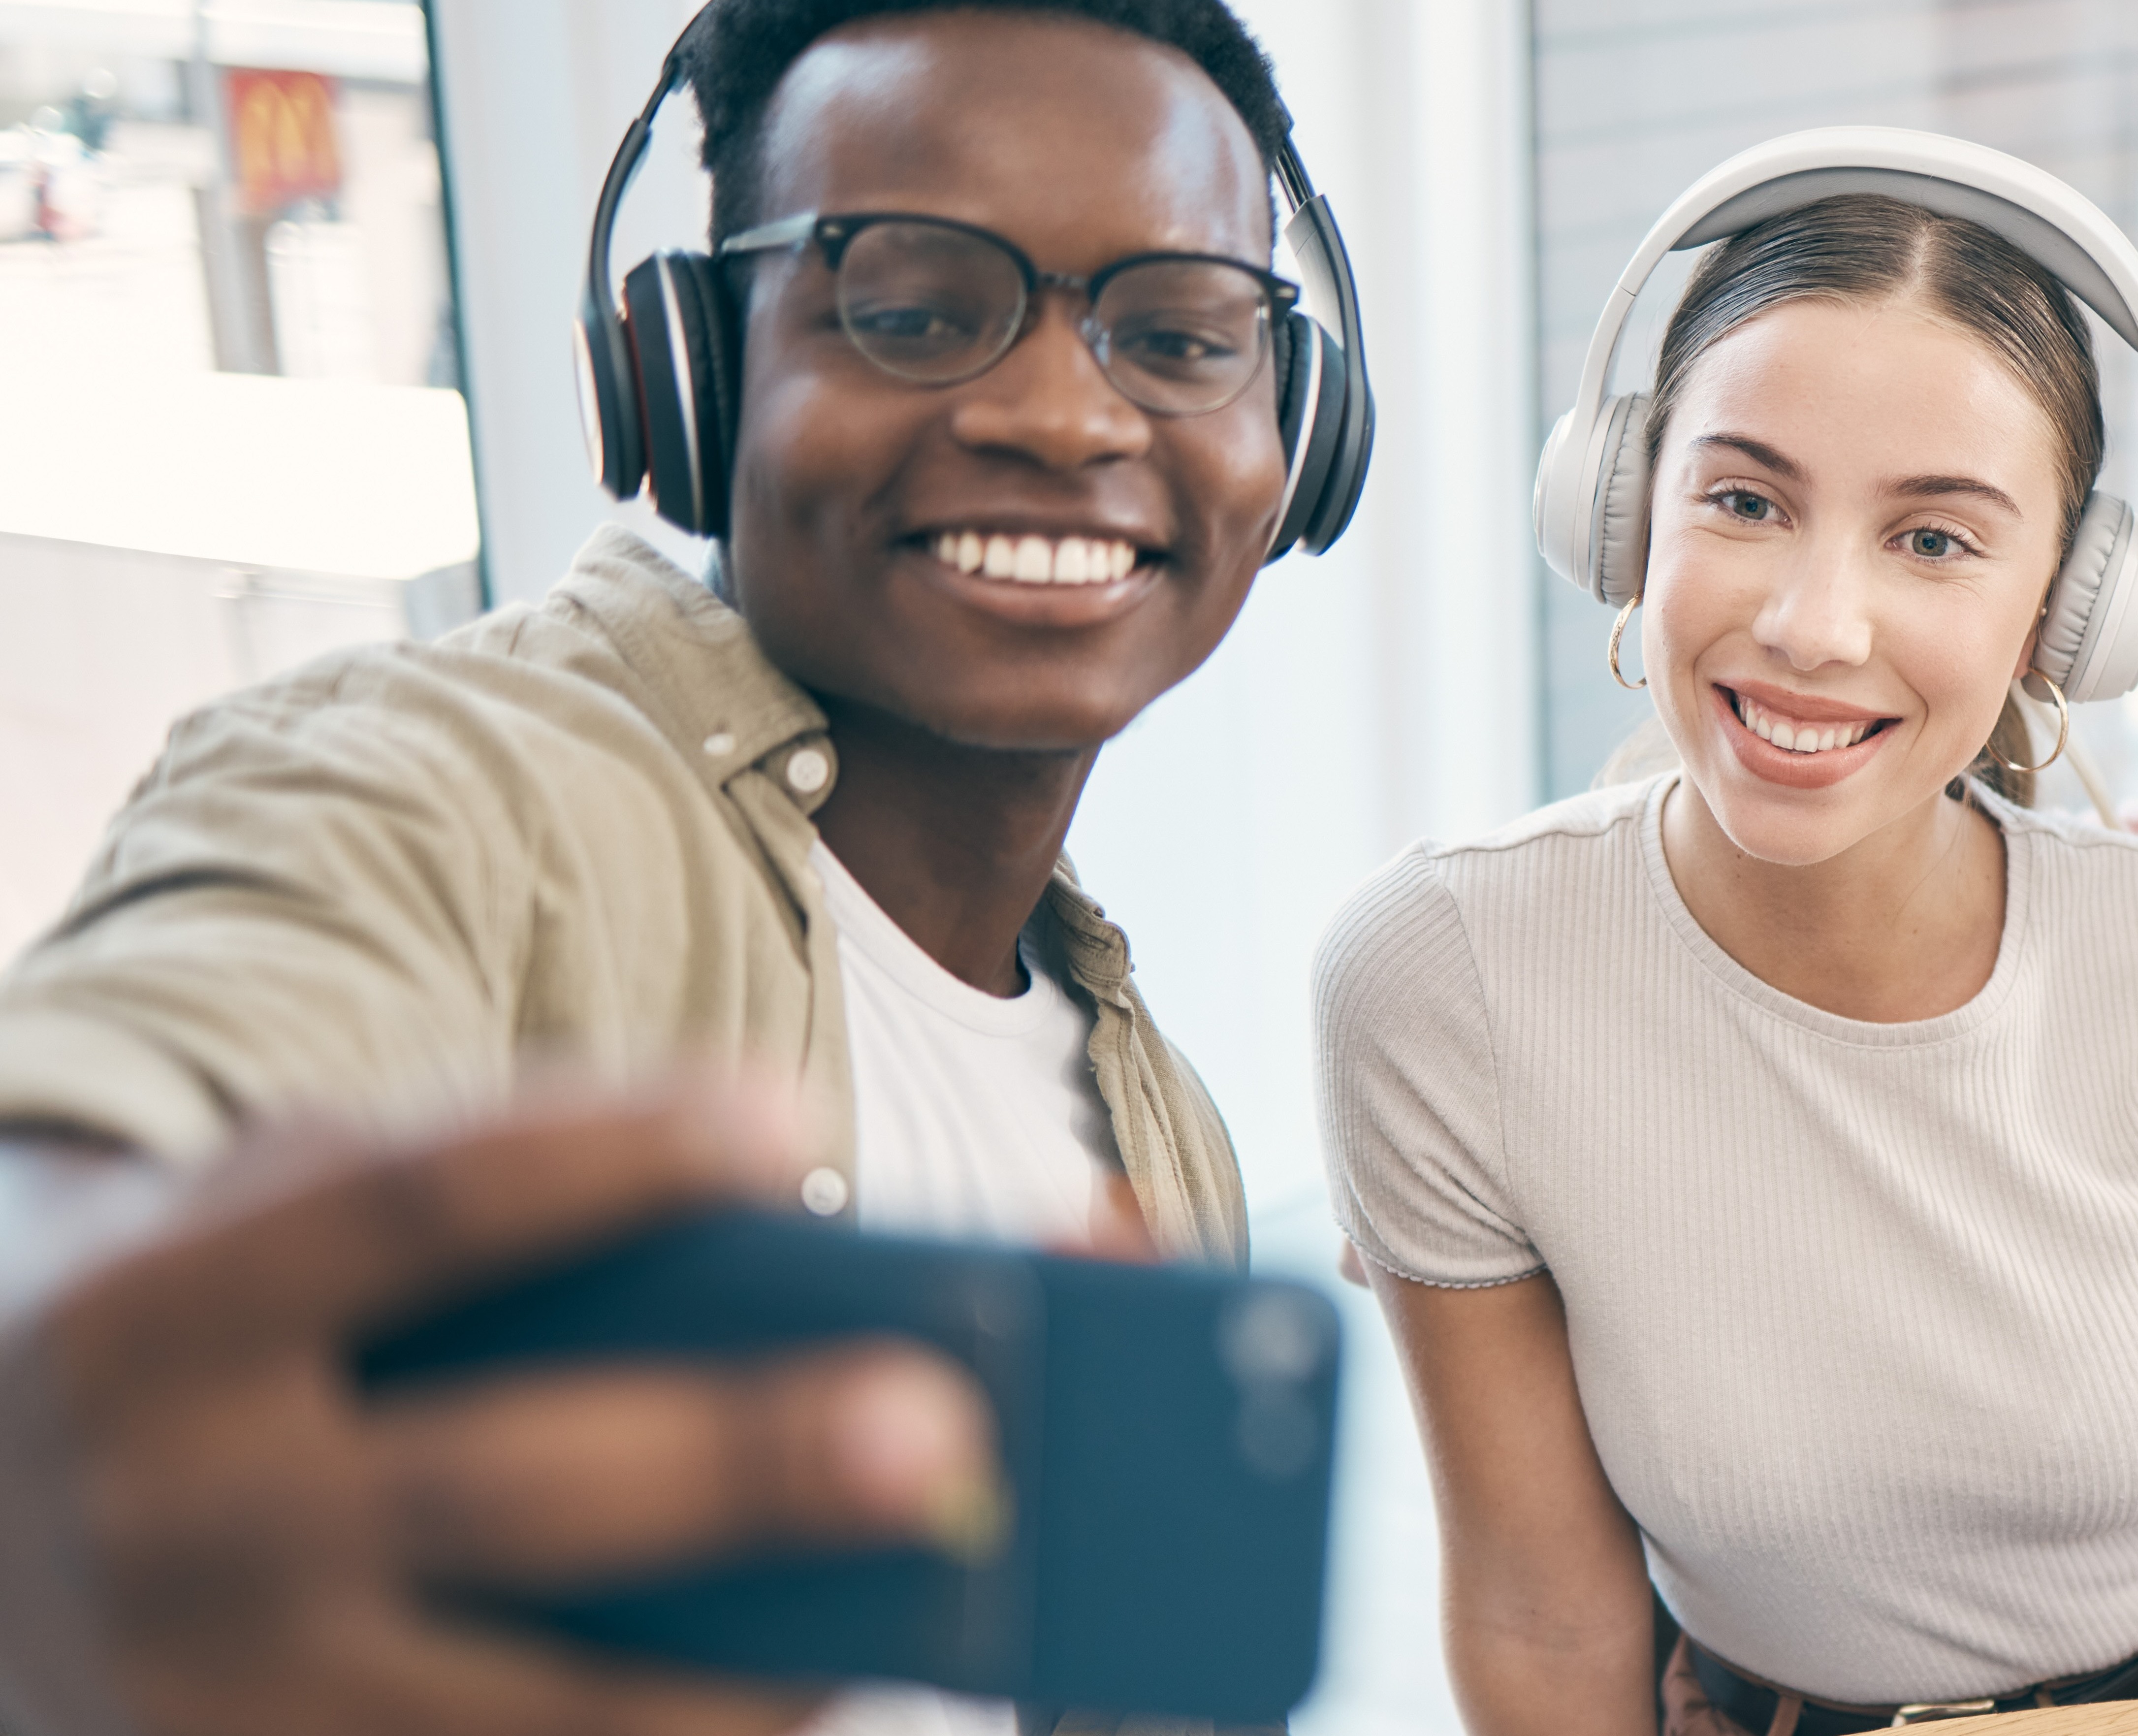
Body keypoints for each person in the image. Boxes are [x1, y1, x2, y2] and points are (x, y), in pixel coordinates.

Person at [0, 3, 1357, 1733]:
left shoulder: (1163, 1133)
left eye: (1175, 335)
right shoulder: (448, 797)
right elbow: (110, 1142)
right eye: (916, 310)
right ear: (691, 375)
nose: (1057, 414)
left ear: (1298, 436)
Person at [1318, 151, 2138, 1736]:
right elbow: (1541, 1614)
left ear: (2070, 611)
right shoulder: (1443, 976)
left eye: (1936, 541)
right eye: (1747, 502)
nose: (1814, 626)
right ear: (1624, 514)